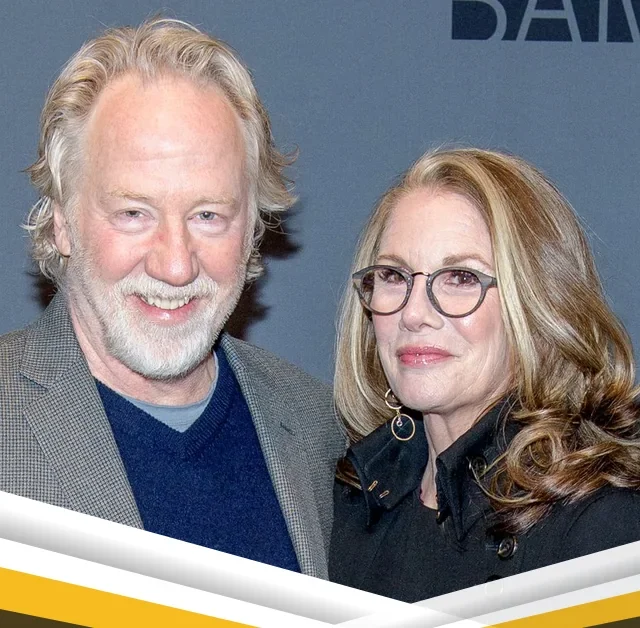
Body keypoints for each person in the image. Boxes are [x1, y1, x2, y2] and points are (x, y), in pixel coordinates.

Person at [0, 17, 345, 579]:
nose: (176, 264)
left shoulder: (315, 425)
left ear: (252, 226)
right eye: (134, 213)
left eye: (208, 215)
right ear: (62, 222)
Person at [329, 147, 640, 601]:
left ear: (537, 304)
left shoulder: (602, 528)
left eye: (460, 277)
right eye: (394, 275)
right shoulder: (350, 500)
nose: (413, 314)